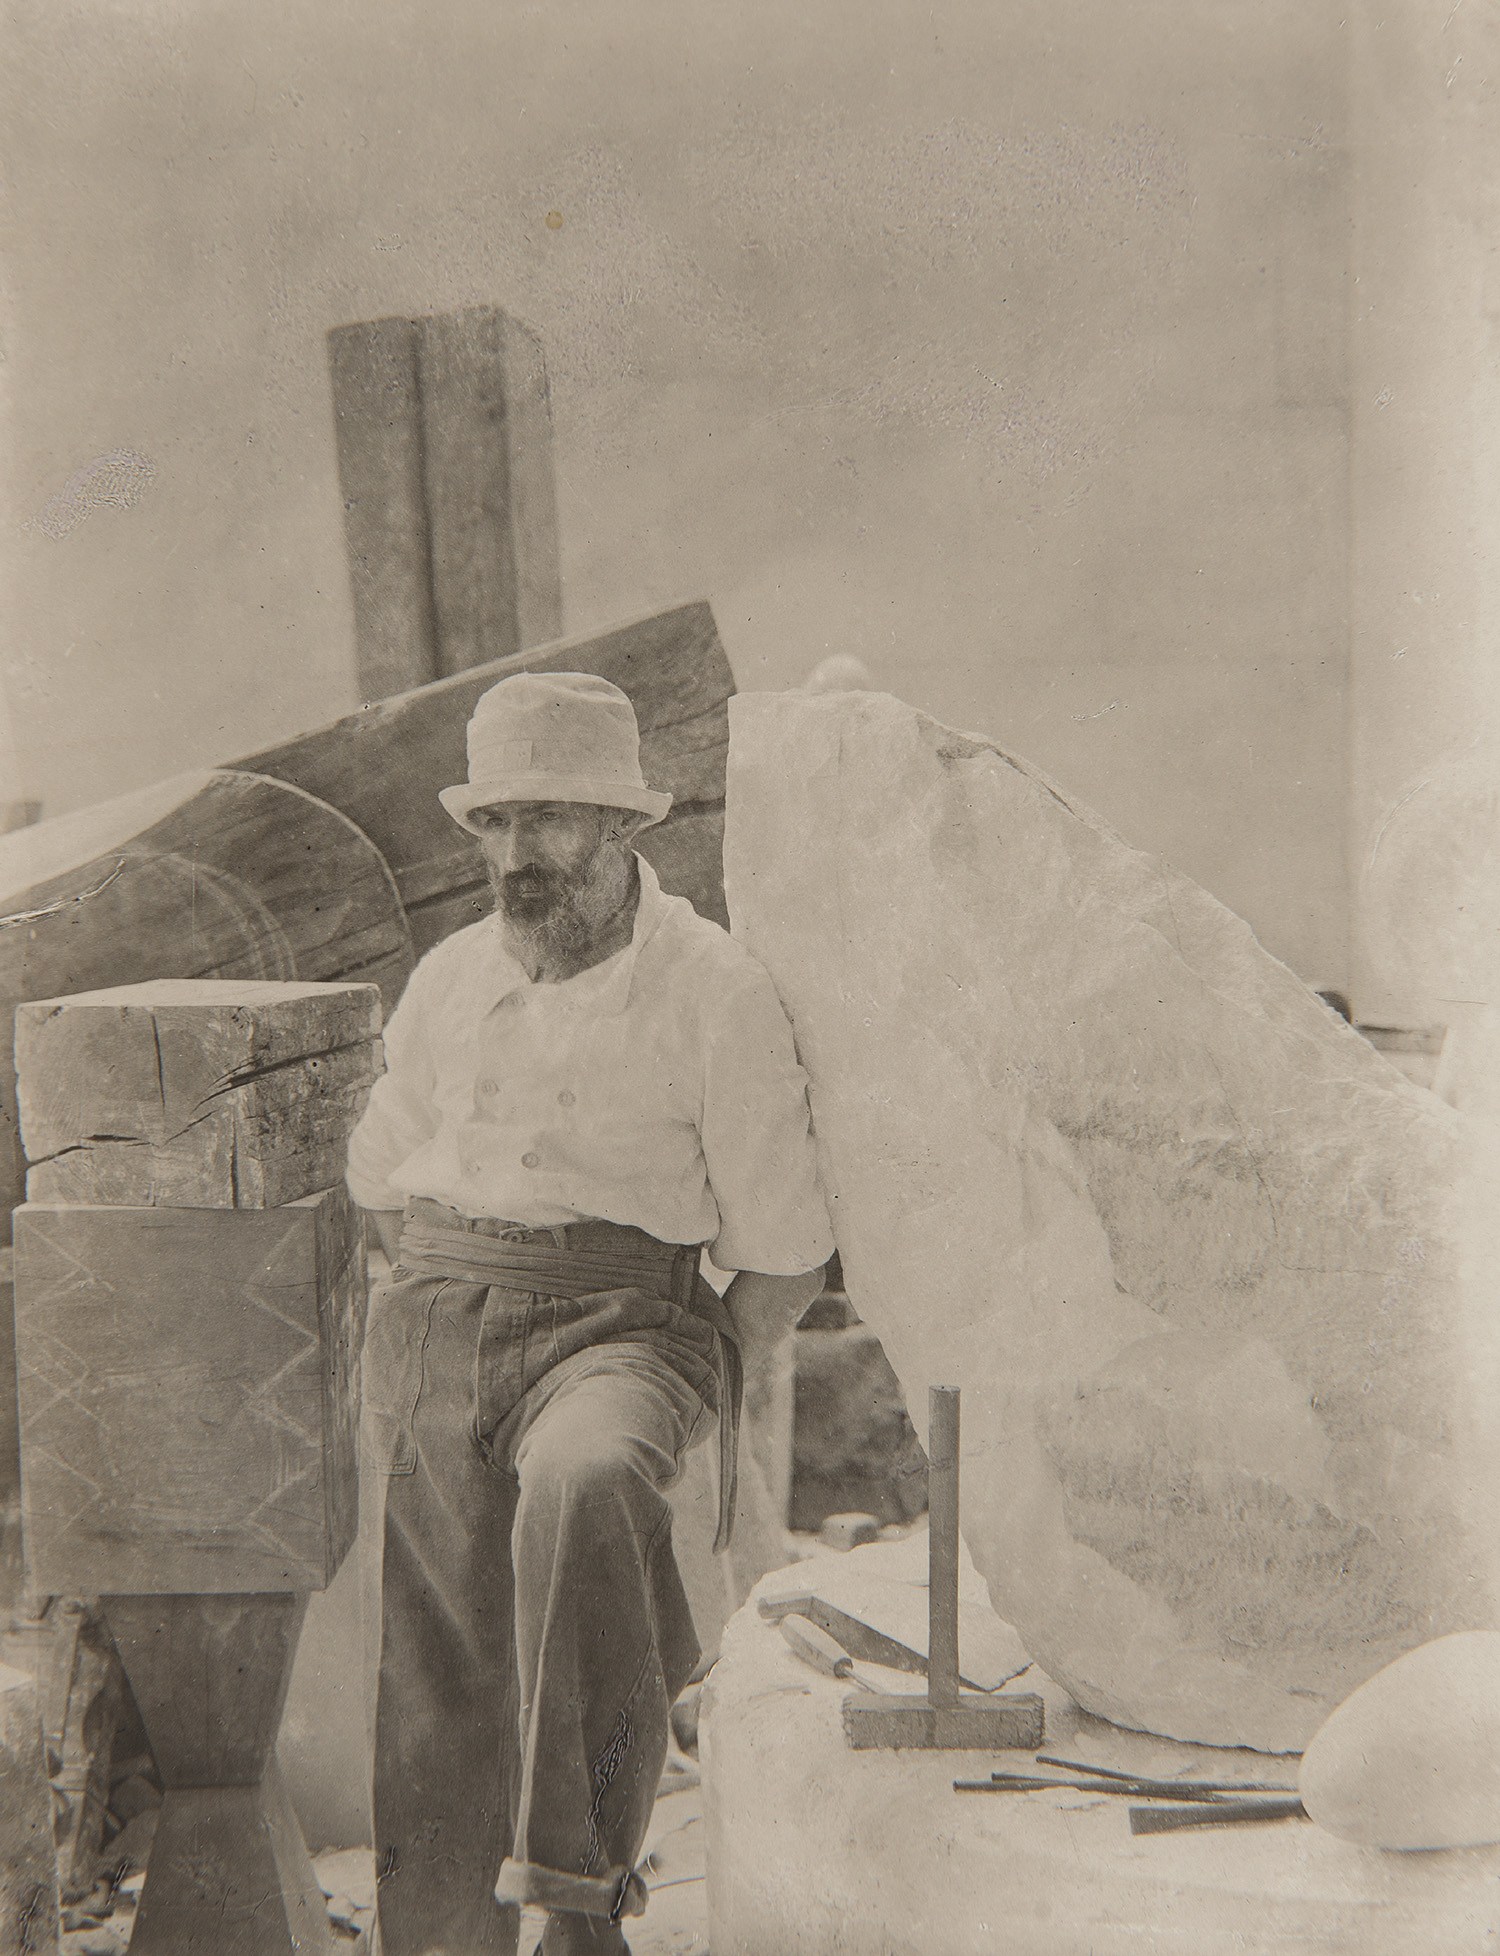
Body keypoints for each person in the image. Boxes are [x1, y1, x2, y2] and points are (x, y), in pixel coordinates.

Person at [346, 670, 833, 1956]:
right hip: (442, 1308)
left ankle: (575, 1907)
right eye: (496, 825)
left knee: (586, 1480)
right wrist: (441, 1294)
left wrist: (695, 1378)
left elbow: (783, 1254)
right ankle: (440, 1940)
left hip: (625, 1323)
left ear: (626, 829)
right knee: (441, 1641)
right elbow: (377, 1173)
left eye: (551, 822)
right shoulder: (451, 977)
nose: (519, 856)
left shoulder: (713, 991)